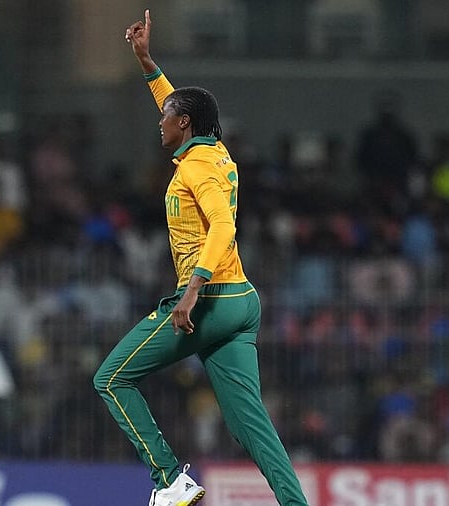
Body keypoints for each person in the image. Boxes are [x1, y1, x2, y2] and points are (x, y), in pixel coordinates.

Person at [93, 11, 309, 506]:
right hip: (240, 301)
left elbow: (224, 227)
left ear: (183, 124)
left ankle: (170, 480)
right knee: (249, 425)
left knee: (111, 377)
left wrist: (191, 292)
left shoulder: (197, 169)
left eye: (166, 115)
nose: (159, 120)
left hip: (207, 300)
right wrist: (147, 63)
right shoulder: (213, 152)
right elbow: (175, 103)